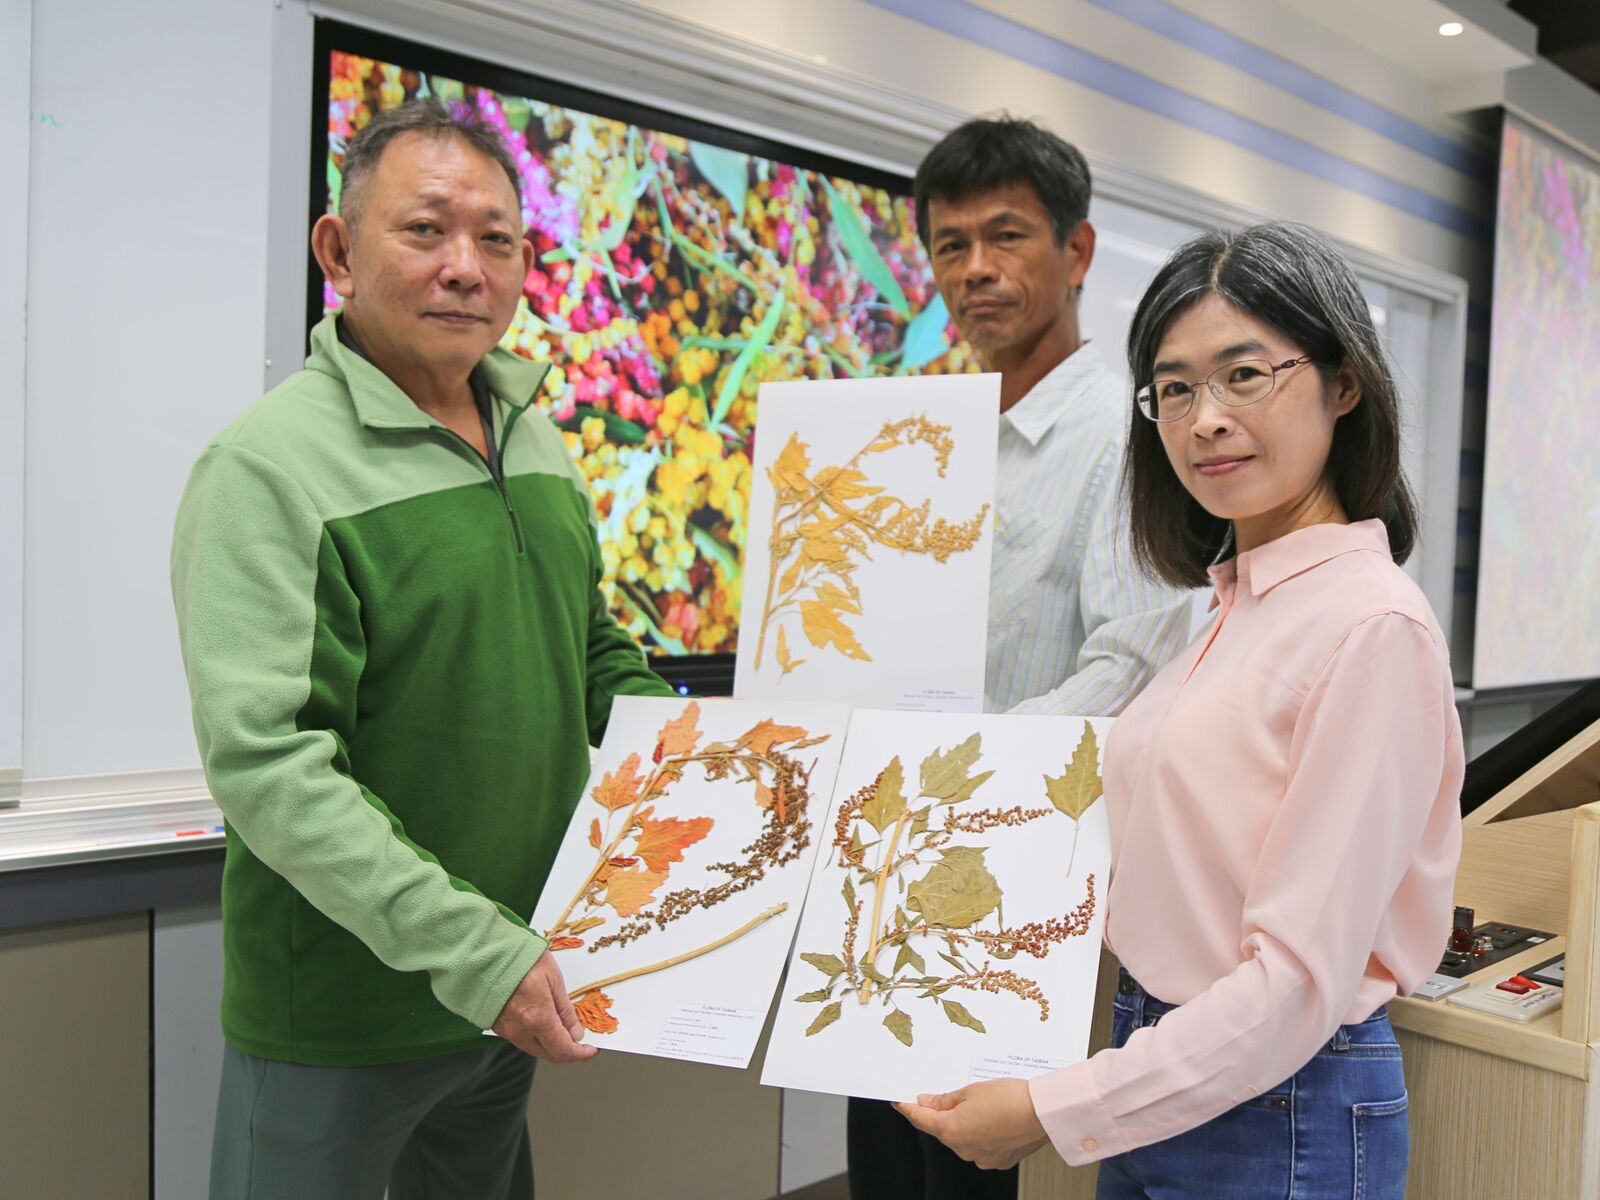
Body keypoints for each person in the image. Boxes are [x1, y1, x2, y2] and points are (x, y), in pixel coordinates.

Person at [895, 221, 1464, 1200]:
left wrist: (1050, 1110)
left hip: (1280, 1097)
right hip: (1169, 1062)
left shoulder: (1370, 625)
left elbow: (1292, 985)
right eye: (1174, 387)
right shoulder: (1231, 607)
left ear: (1342, 383)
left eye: (1245, 375)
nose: (1203, 418)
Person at [171, 100, 674, 1200]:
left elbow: (584, 645)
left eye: (495, 240)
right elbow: (271, 766)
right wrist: (477, 954)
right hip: (344, 1020)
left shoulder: (532, 433)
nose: (465, 267)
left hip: (514, 991)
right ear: (337, 250)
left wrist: (717, 751)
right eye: (425, 231)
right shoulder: (267, 470)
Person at [846, 116, 1191, 1200]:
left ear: (1075, 252)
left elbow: (1130, 662)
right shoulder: (920, 438)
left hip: (1008, 868)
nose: (976, 270)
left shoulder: (1124, 440)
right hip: (886, 859)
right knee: (885, 1161)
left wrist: (955, 771)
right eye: (950, 245)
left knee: (961, 1172)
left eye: (1006, 237)